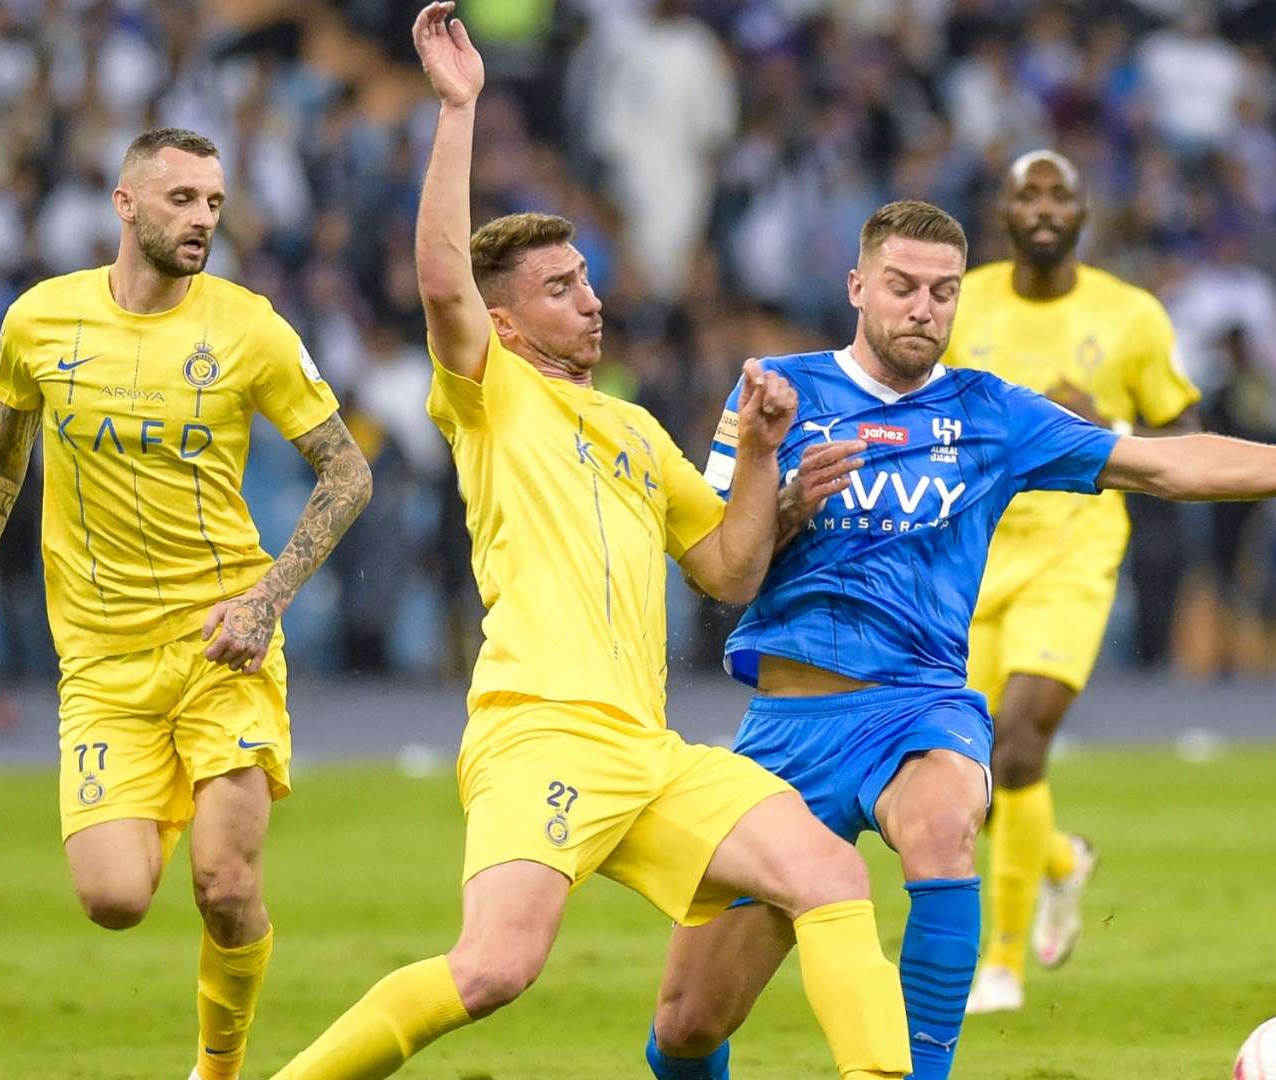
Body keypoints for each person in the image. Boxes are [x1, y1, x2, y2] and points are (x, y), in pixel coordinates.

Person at [646, 198, 1276, 1079]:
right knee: (689, 1028)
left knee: (946, 818)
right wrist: (785, 499)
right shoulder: (775, 394)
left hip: (918, 708)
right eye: (903, 287)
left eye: (944, 292)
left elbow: (1170, 465)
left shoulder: (992, 413)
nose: (924, 308)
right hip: (786, 728)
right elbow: (717, 569)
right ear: (857, 287)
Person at [269, 8, 908, 1078]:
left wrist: (762, 463)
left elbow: (727, 572)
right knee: (492, 971)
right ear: (507, 324)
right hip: (542, 733)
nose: (593, 299)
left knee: (829, 875)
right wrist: (460, 108)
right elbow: (438, 281)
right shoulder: (493, 392)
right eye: (562, 289)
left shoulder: (632, 427)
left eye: (589, 277)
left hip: (646, 750)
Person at [0, 126, 373, 1080]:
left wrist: (268, 600)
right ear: (125, 205)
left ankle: (218, 1068)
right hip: (103, 663)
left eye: (214, 201)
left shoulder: (248, 327)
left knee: (224, 883)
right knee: (115, 898)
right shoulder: (39, 321)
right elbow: (2, 457)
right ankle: (170, 791)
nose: (203, 217)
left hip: (223, 643)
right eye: (181, 200)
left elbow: (346, 471)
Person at [945, 149, 1202, 1013]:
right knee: (962, 777)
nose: (1046, 207)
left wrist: (1110, 424)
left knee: (1020, 742)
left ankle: (1003, 965)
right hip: (971, 553)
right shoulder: (959, 302)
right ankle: (1059, 860)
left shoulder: (1130, 317)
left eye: (1061, 192)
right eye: (1030, 194)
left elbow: (1186, 431)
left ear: (1085, 211)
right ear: (1005, 212)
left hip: (1075, 549)